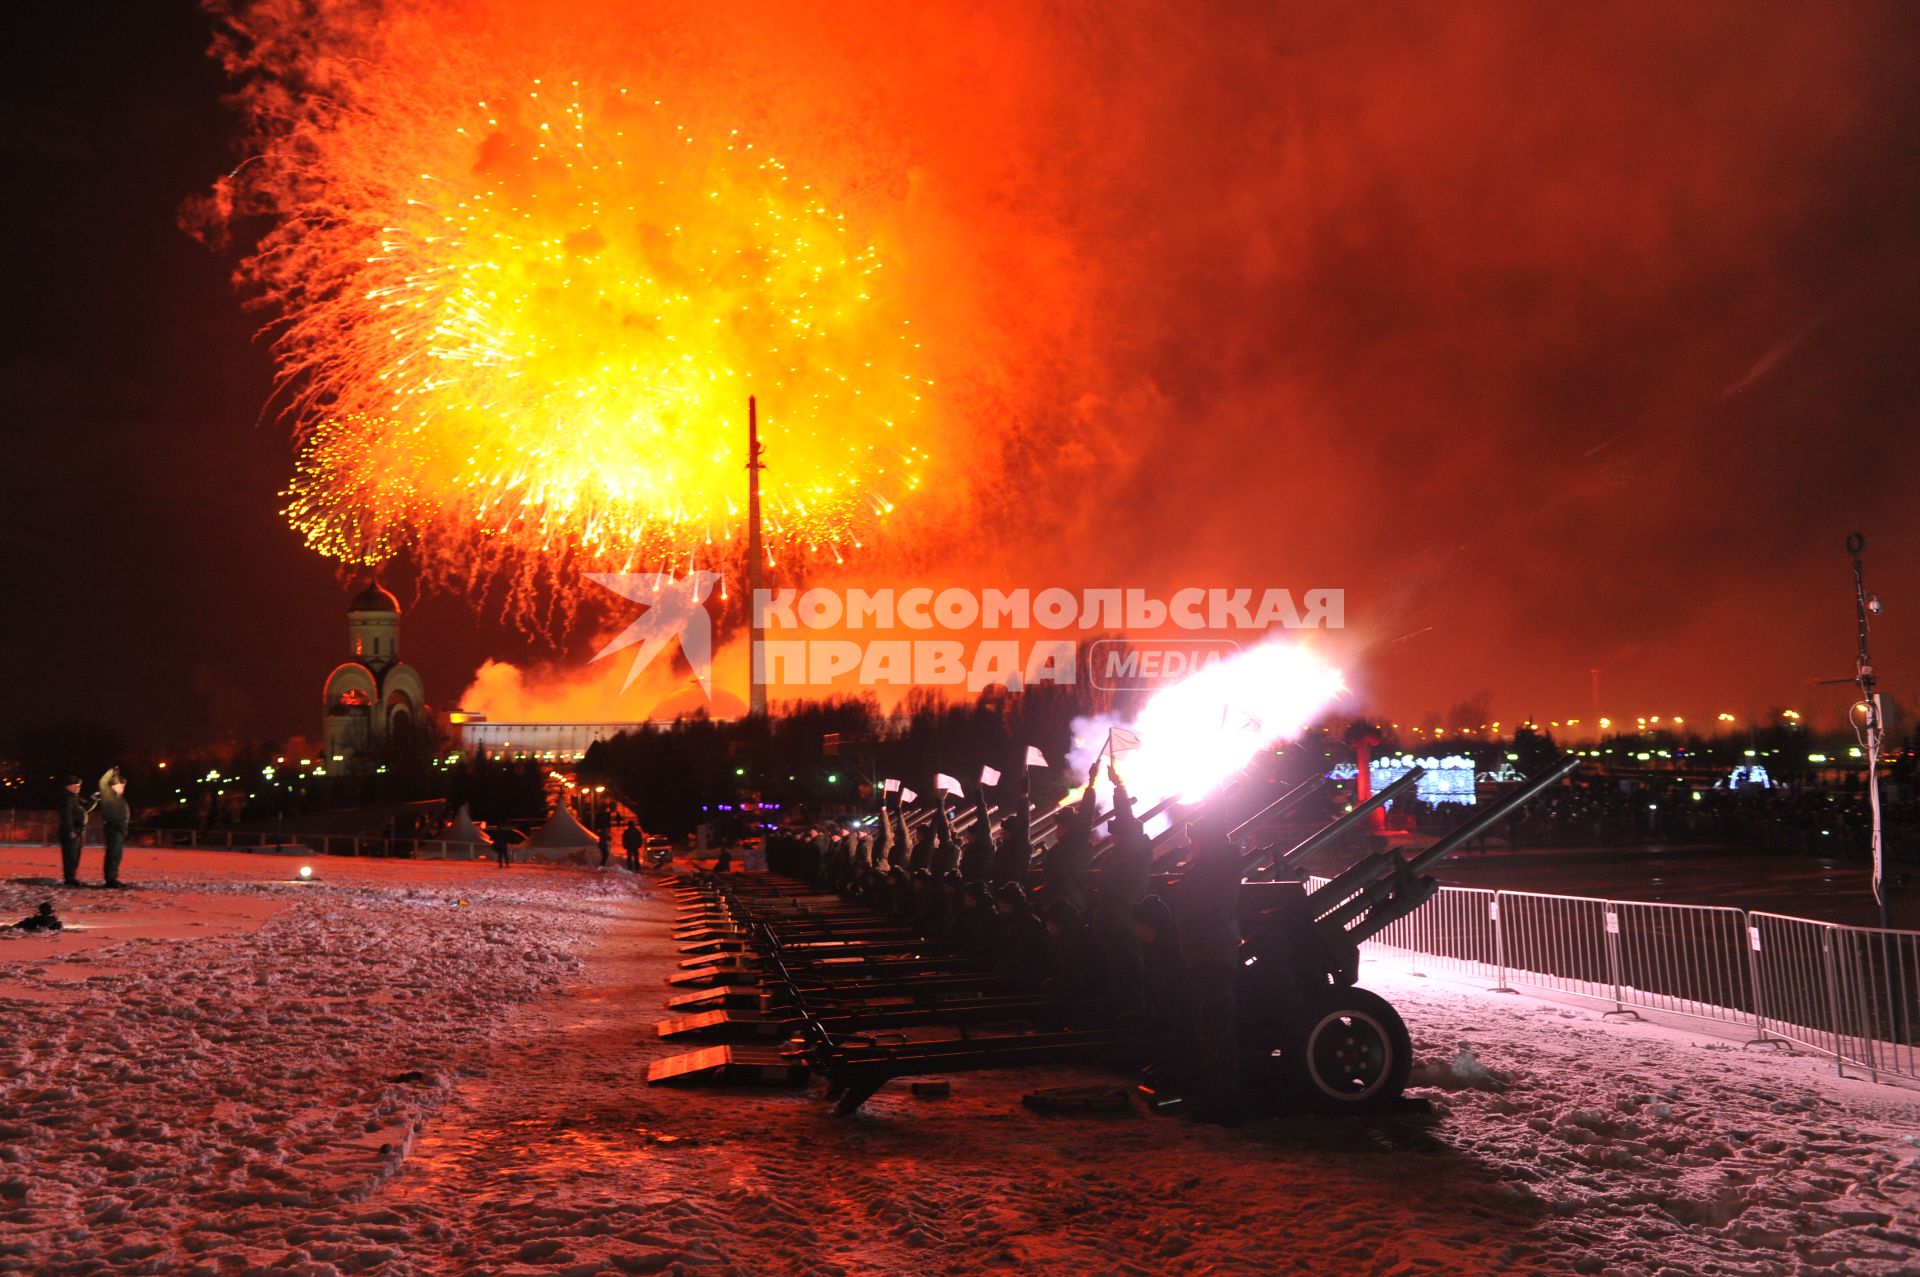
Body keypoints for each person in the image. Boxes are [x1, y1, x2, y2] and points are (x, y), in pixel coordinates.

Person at [1172, 814, 1245, 1125]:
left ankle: (1226, 1104)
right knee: (1209, 1029)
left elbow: (1204, 905)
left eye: (1195, 840)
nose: (1192, 845)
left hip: (1210, 954)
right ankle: (1218, 1099)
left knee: (1215, 1029)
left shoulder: (1215, 868)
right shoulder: (1213, 867)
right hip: (1204, 953)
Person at [95, 767, 130, 888]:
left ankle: (113, 877)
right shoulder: (108, 795)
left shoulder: (118, 798)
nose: (123, 787)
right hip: (113, 829)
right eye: (121, 784)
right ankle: (110, 879)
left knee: (117, 855)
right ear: (114, 786)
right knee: (113, 854)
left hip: (119, 830)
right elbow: (102, 782)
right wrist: (111, 772)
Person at [57, 775, 93, 887]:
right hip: (72, 831)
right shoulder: (67, 798)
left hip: (78, 830)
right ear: (69, 786)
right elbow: (66, 816)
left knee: (75, 855)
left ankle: (72, 876)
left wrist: (94, 799)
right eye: (76, 786)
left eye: (79, 786)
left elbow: (86, 807)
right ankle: (69, 878)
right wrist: (70, 830)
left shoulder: (75, 797)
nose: (78, 788)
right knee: (70, 855)